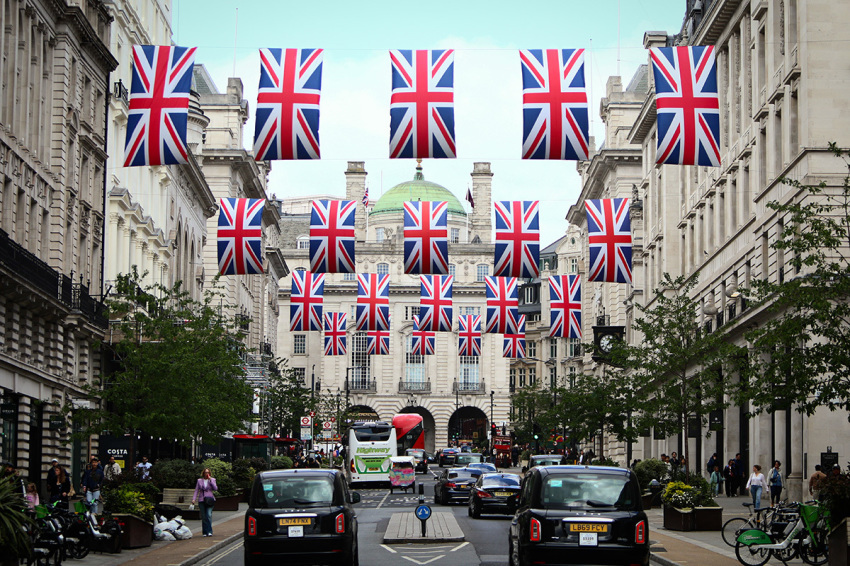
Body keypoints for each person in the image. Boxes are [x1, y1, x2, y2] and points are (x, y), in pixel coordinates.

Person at [192, 468, 217, 537]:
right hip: (202, 500)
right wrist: (194, 499)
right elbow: (196, 490)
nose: (207, 474)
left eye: (208, 472)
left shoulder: (212, 480)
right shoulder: (199, 481)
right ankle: (205, 532)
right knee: (204, 517)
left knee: (208, 515)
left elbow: (215, 488)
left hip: (210, 500)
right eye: (206, 472)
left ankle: (209, 531)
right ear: (203, 473)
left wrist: (211, 480)